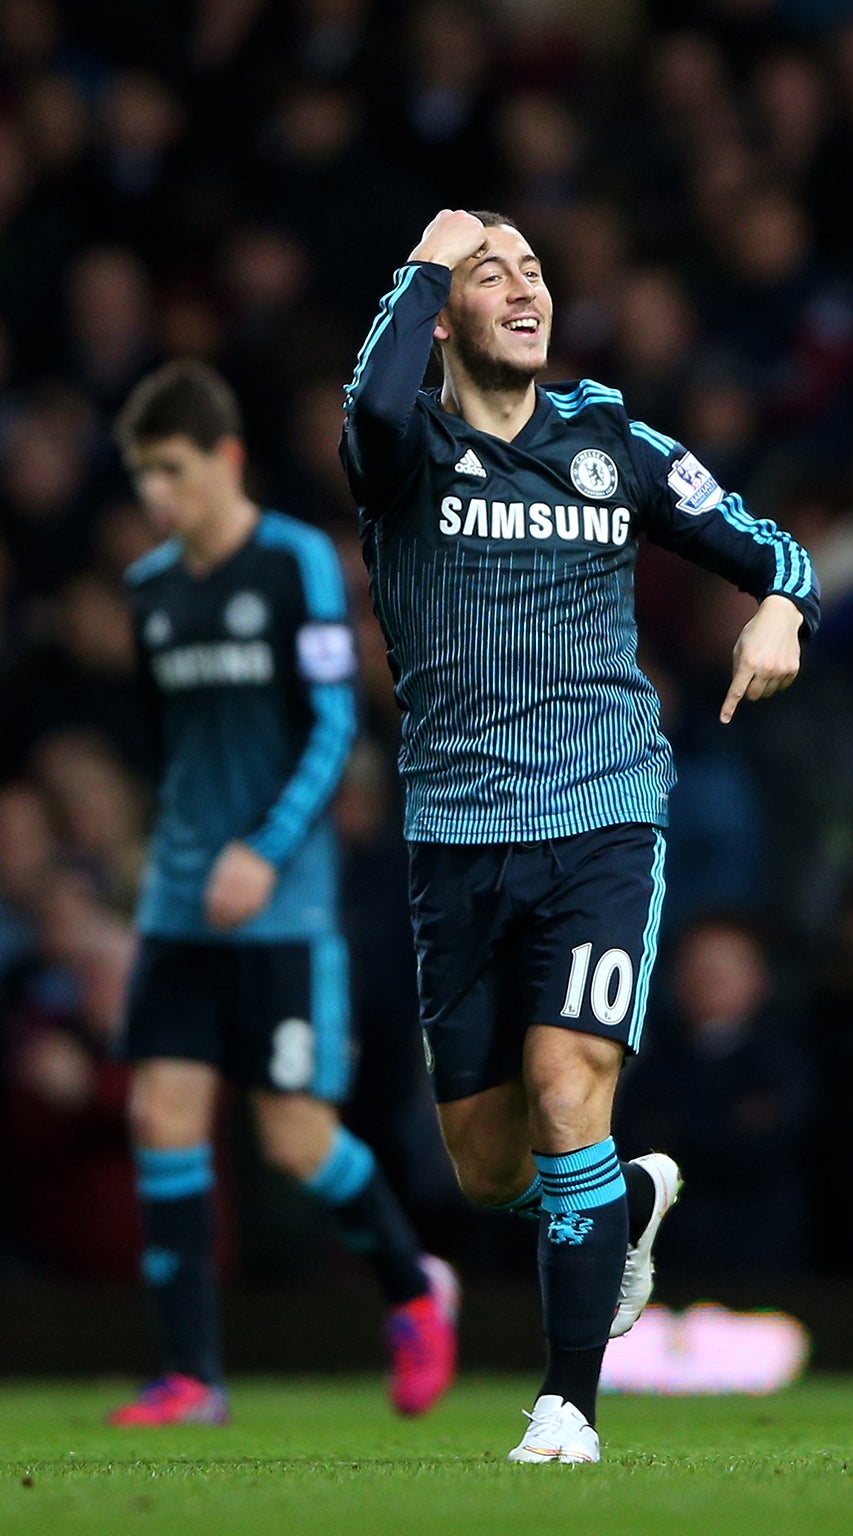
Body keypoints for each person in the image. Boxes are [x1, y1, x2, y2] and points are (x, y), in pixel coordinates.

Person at [340, 209, 820, 1463]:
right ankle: (623, 1202)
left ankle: (567, 1406)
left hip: (603, 813)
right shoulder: (406, 452)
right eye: (489, 275)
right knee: (491, 1169)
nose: (524, 290)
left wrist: (780, 611)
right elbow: (376, 411)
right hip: (456, 837)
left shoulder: (611, 438)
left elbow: (774, 548)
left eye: (536, 271)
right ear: (441, 312)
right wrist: (423, 259)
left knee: (569, 1090)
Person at [109, 360, 457, 1427]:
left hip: (284, 908)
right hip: (178, 904)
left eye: (171, 471)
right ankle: (190, 1377)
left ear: (224, 458)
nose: (156, 498)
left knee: (295, 1140)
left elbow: (334, 725)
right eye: (141, 478)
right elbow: (169, 747)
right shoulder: (150, 591)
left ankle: (412, 1288)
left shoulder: (295, 563)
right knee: (160, 1115)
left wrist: (262, 849)